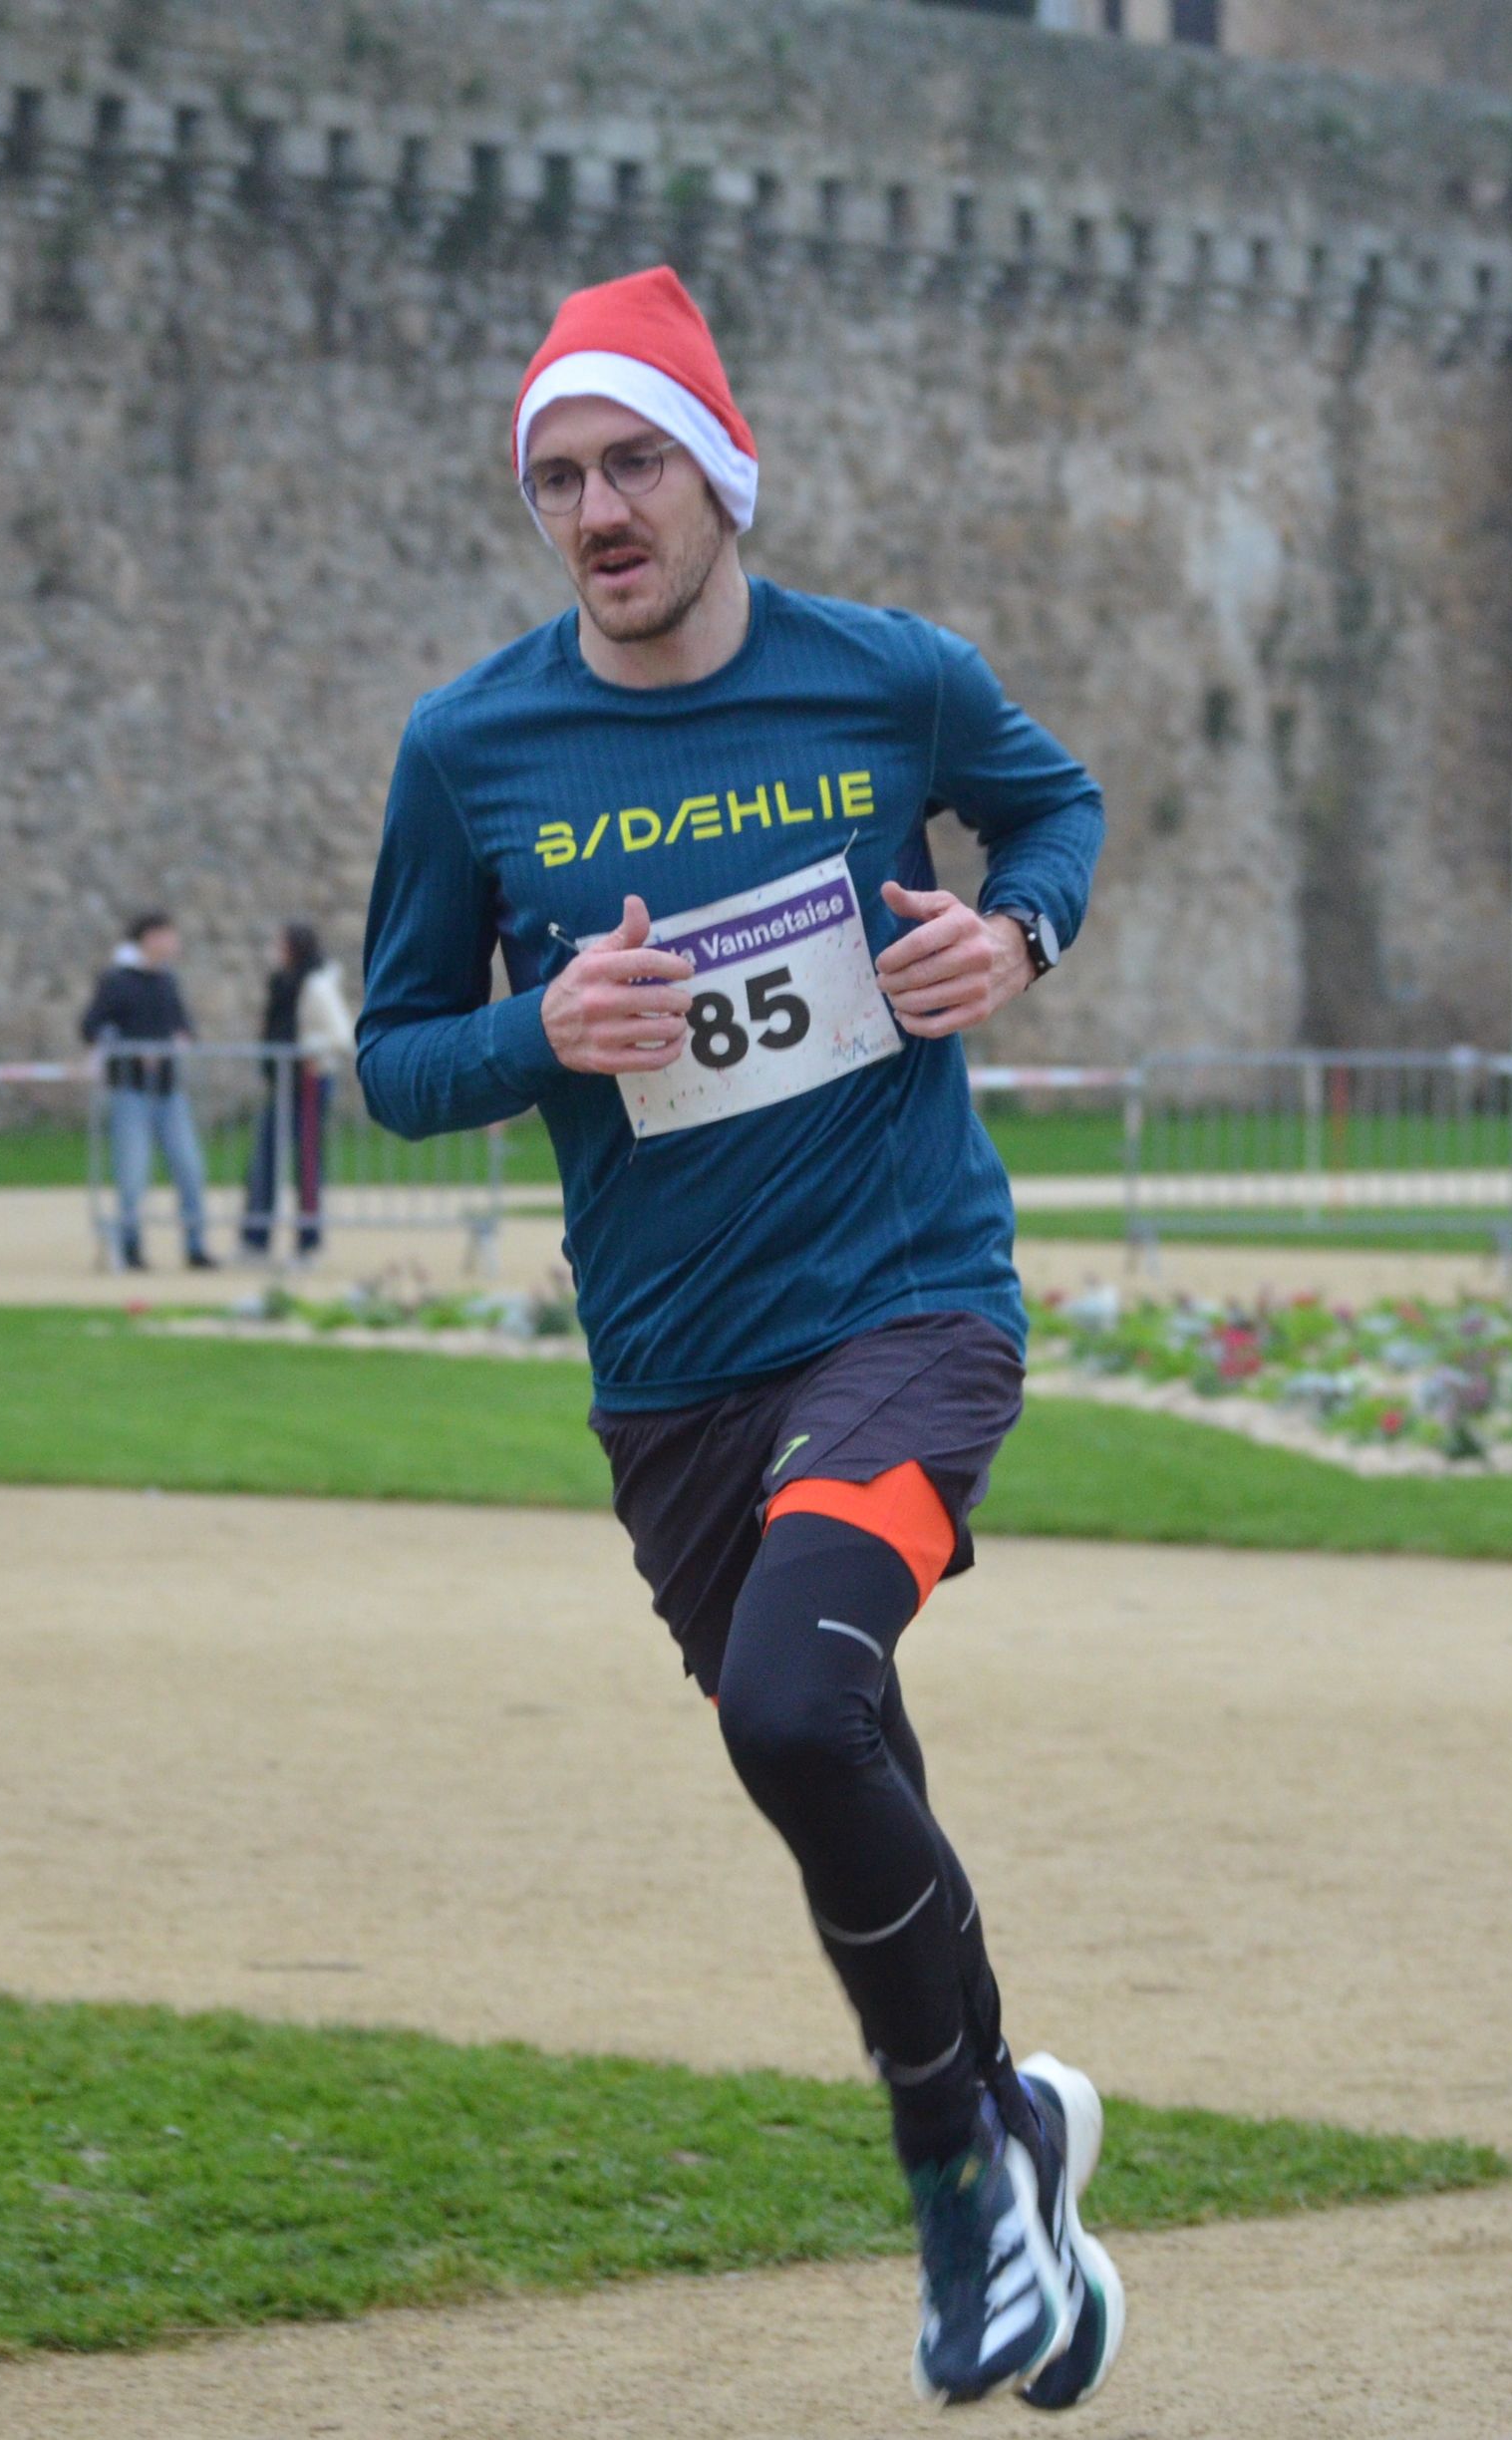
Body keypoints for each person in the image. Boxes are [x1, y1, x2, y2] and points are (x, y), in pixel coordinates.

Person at [355, 266, 1120, 2409]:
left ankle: (954, 2190)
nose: (597, 510)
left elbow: (1055, 812)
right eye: (558, 478)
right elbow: (396, 1058)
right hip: (673, 1374)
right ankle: (1017, 2128)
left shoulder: (891, 680)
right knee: (831, 1741)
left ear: (719, 474)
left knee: (791, 1706)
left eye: (634, 464)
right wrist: (544, 1025)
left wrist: (1012, 933)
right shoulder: (471, 747)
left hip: (905, 1301)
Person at [80, 912, 213, 1270]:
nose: (174, 943)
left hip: (168, 1091)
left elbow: (182, 1024)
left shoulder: (167, 980)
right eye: (168, 935)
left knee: (190, 1169)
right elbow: (92, 1026)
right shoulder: (117, 981)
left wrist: (181, 1039)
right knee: (133, 1175)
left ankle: (196, 1245)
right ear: (150, 937)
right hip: (131, 1092)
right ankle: (130, 1245)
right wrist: (131, 1048)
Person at [238, 921, 353, 1259]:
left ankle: (308, 1241)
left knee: (307, 1162)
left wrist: (310, 1051)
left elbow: (341, 1035)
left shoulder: (317, 984)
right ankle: (255, 1239)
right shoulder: (281, 983)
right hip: (283, 1082)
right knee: (264, 1159)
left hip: (309, 1083)